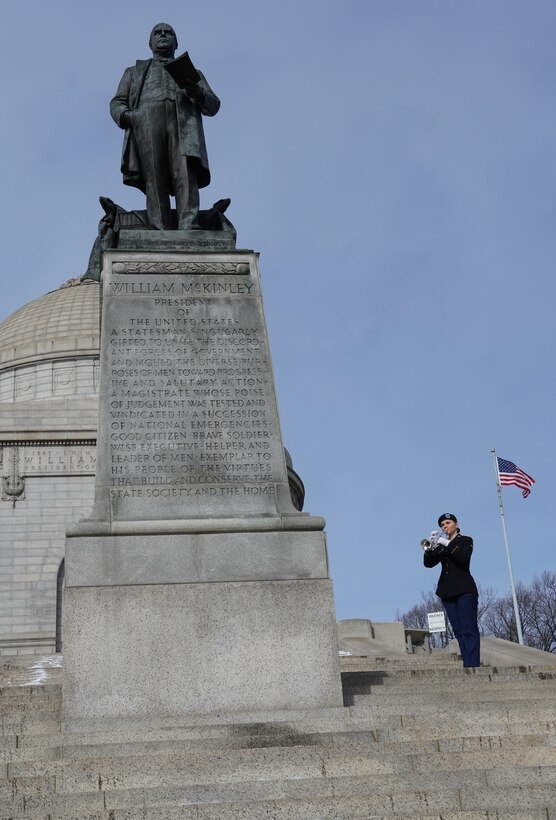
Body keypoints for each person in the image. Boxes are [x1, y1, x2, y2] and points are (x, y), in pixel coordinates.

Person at [110, 23, 220, 231]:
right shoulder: (134, 71)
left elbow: (213, 105)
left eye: (168, 33)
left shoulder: (192, 72)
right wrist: (130, 117)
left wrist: (197, 92)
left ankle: (189, 223)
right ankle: (158, 226)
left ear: (176, 43)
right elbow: (117, 102)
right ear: (150, 43)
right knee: (154, 174)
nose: (163, 35)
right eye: (158, 33)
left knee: (185, 171)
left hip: (183, 122)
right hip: (146, 120)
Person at [424, 512, 480, 667]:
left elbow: (463, 559)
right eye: (442, 525)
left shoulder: (465, 541)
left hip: (464, 589)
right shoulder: (441, 544)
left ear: (456, 524)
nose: (445, 526)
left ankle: (473, 665)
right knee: (459, 631)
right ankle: (467, 665)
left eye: (447, 523)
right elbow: (428, 564)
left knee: (469, 628)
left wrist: (448, 544)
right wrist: (429, 549)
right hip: (447, 591)